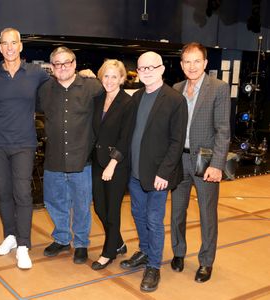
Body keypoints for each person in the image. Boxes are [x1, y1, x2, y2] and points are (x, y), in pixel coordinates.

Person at [119, 51, 188, 292]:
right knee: (138, 215)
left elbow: (176, 142)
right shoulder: (136, 96)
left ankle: (154, 266)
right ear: (137, 72)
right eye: (141, 68)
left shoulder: (174, 100)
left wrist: (164, 173)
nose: (146, 72)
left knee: (153, 220)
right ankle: (145, 251)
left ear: (161, 69)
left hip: (158, 175)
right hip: (136, 173)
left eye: (151, 67)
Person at [0, 27, 49, 269]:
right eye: (5, 43)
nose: (10, 47)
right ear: (0, 48)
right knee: (3, 193)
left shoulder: (35, 72)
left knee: (22, 193)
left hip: (24, 143)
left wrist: (84, 76)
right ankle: (10, 236)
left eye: (14, 43)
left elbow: (61, 80)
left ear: (21, 46)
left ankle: (23, 244)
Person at [170, 42, 230, 283]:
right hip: (179, 159)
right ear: (181, 64)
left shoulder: (219, 88)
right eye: (187, 61)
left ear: (205, 63)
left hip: (205, 159)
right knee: (176, 212)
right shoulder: (176, 88)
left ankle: (206, 262)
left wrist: (217, 164)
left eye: (197, 61)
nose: (192, 66)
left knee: (207, 214)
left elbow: (223, 130)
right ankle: (178, 252)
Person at [38, 47, 103, 264]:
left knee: (82, 205)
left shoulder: (93, 87)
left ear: (75, 64)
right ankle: (62, 238)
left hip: (81, 159)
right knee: (54, 202)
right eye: (58, 63)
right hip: (54, 158)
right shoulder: (45, 90)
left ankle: (82, 243)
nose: (63, 67)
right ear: (52, 67)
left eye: (67, 62)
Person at [91, 59, 133, 270]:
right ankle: (118, 242)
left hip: (116, 164)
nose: (109, 80)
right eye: (105, 76)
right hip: (98, 161)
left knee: (112, 210)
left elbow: (125, 138)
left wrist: (112, 164)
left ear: (122, 79)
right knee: (99, 207)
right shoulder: (98, 99)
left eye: (114, 76)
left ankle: (109, 252)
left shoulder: (127, 102)